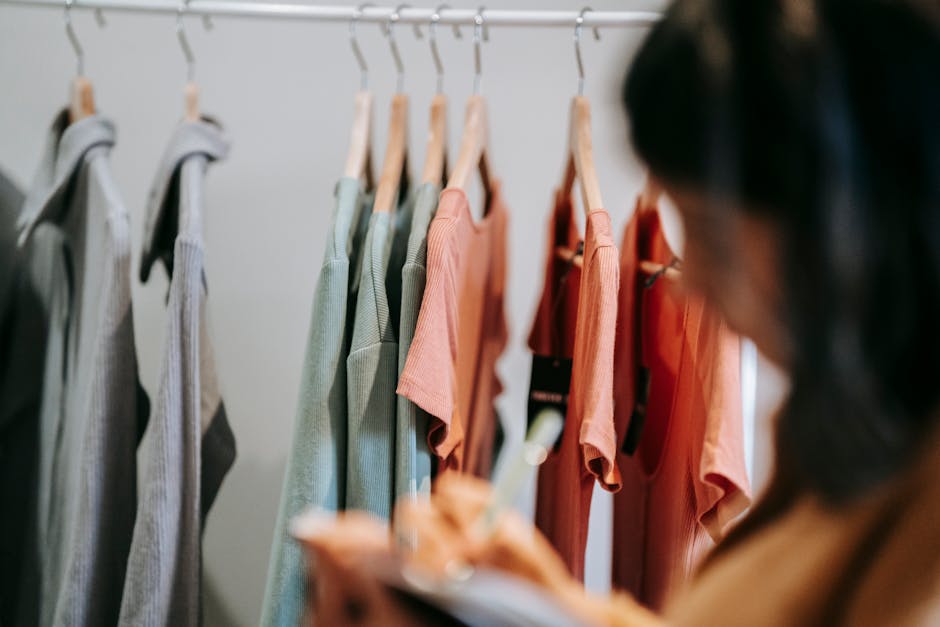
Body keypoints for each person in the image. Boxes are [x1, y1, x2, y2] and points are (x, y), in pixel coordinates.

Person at [297, 0, 940, 624]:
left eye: (713, 239)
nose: (694, 286)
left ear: (850, 217)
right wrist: (545, 597)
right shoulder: (843, 440)